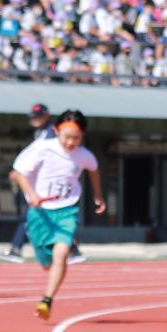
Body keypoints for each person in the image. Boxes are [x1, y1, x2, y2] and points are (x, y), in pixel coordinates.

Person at [10, 109, 105, 321]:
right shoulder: (43, 148)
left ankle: (47, 300)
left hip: (67, 210)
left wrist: (98, 196)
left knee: (61, 254)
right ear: (56, 131)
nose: (71, 142)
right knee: (46, 263)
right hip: (40, 213)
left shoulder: (84, 155)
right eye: (67, 137)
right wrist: (31, 194)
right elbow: (19, 173)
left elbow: (94, 169)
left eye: (76, 138)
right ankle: (48, 269)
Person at [1, 103, 55, 261]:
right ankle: (17, 248)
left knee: (33, 215)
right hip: (37, 182)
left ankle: (16, 248)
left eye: (38, 115)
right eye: (33, 116)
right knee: (35, 216)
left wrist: (21, 170)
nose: (35, 119)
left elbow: (42, 156)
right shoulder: (41, 132)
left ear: (46, 115)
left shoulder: (51, 132)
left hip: (44, 182)